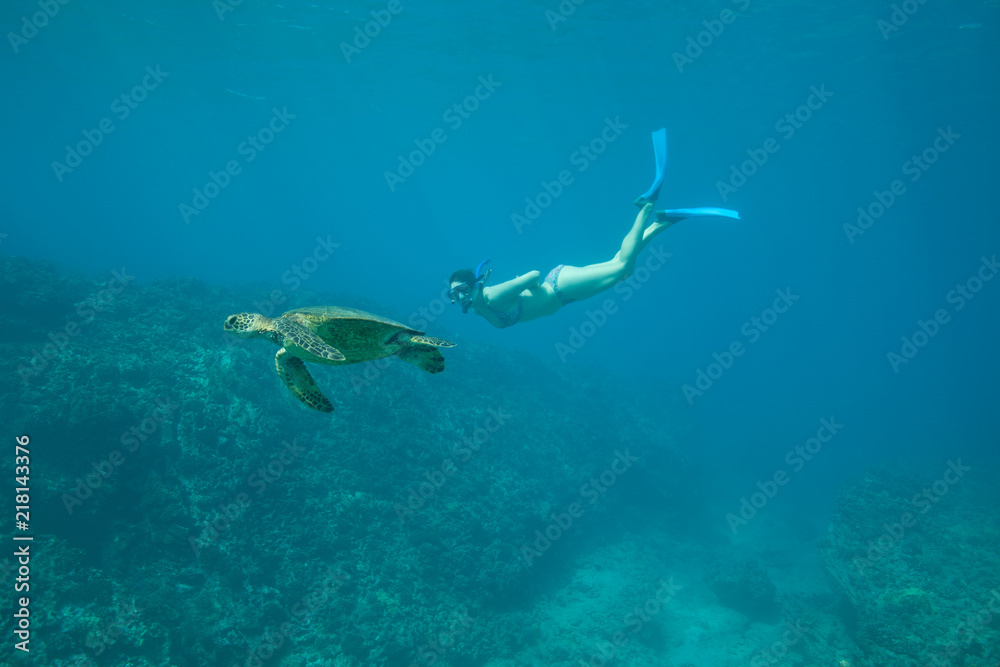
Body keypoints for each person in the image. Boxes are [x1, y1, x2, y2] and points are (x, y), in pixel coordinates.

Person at [448, 128, 740, 329]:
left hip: (560, 288)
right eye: (453, 295)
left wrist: (526, 288)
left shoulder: (490, 298)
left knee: (623, 267)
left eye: (461, 290)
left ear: (473, 284)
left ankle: (648, 206)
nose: (459, 297)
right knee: (621, 266)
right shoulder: (478, 307)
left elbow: (534, 275)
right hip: (564, 295)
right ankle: (662, 222)